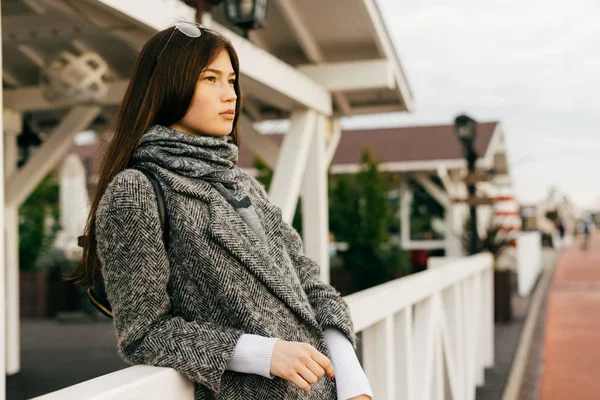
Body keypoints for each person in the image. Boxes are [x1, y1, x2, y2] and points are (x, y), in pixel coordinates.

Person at [70, 21, 373, 400]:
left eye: (231, 80)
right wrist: (262, 353)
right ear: (168, 85)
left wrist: (351, 379)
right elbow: (143, 334)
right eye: (210, 79)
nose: (229, 94)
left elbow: (307, 279)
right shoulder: (137, 189)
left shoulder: (243, 184)